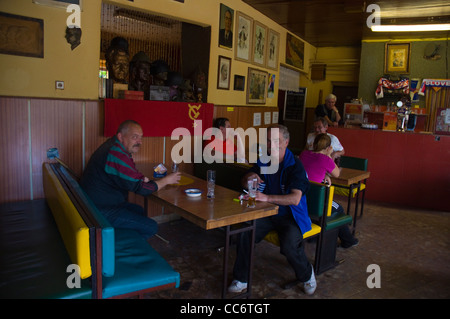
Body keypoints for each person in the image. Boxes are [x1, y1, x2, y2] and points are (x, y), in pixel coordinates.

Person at [228, 124, 317, 295]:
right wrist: (249, 178)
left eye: (276, 141)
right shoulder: (264, 160)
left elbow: (295, 198)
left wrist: (267, 198)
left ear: (286, 142)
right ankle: (241, 278)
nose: (271, 145)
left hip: (291, 216)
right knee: (246, 232)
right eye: (268, 141)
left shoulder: (295, 166)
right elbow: (245, 180)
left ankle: (307, 275)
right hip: (267, 212)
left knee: (289, 245)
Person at [80, 120, 180, 240]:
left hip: (98, 203)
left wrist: (140, 179)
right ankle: (122, 248)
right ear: (120, 136)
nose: (139, 142)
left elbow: (128, 175)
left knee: (138, 210)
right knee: (151, 227)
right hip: (98, 210)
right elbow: (141, 188)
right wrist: (167, 180)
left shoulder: (115, 147)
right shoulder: (116, 153)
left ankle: (133, 241)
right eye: (134, 137)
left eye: (140, 137)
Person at [299, 133, 358, 248]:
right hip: (316, 202)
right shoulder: (326, 159)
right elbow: (337, 173)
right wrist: (329, 155)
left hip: (301, 197)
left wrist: (325, 175)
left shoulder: (304, 154)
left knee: (329, 207)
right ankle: (348, 240)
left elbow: (312, 170)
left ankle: (315, 235)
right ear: (328, 148)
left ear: (314, 143)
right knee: (338, 209)